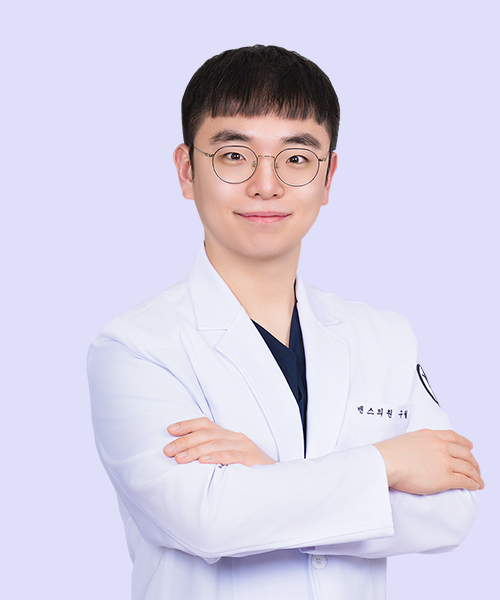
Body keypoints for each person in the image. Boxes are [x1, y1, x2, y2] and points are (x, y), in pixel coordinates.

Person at [87, 45, 483, 600]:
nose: (266, 185)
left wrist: (266, 475)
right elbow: (207, 520)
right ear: (186, 170)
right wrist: (387, 463)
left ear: (328, 177)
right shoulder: (135, 347)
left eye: (297, 159)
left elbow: (452, 512)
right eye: (234, 155)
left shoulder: (384, 337)